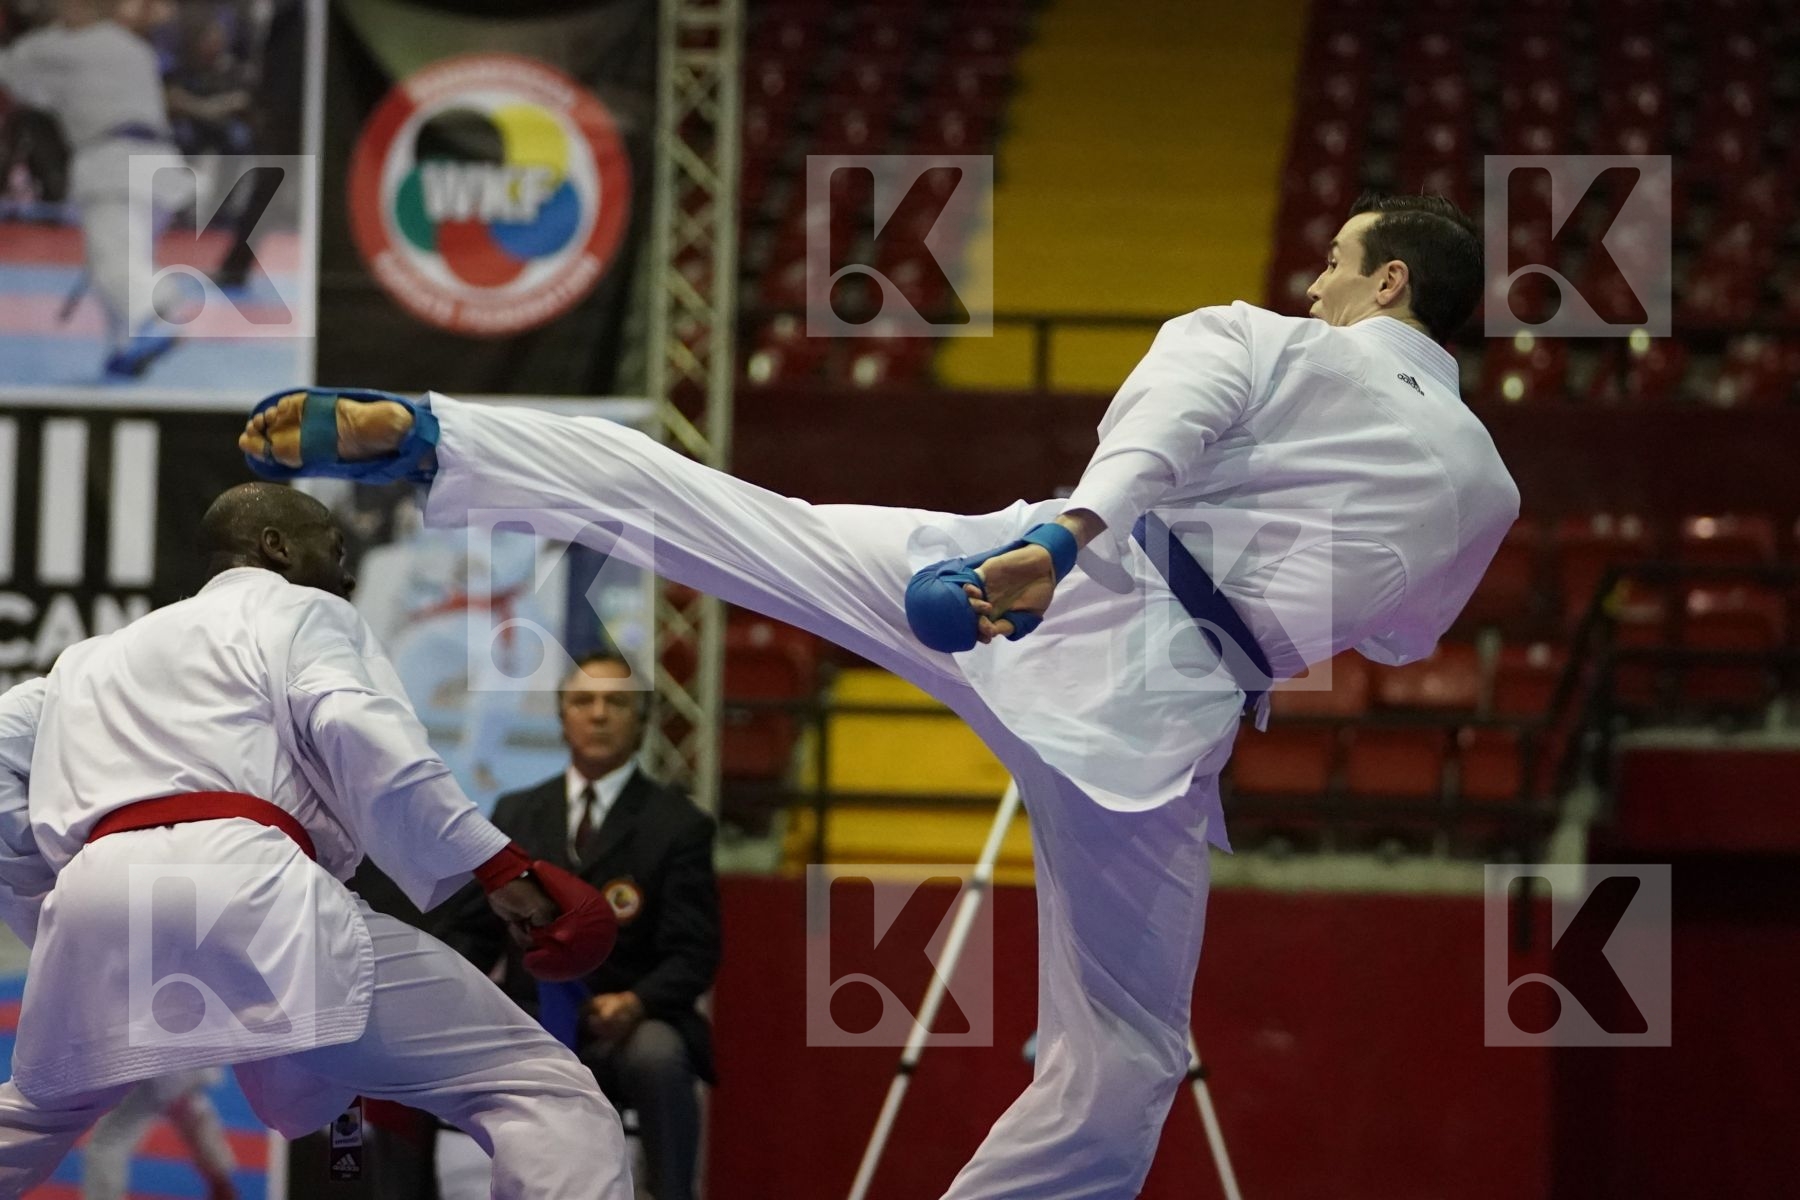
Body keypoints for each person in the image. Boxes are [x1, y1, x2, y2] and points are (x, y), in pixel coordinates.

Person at [242, 193, 1520, 1198]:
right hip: (1156, 724)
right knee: (1124, 1058)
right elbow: (1403, 642)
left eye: (1340, 262)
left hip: (1032, 582)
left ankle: (434, 434)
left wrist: (1072, 532)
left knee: (723, 519)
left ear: (1389, 280)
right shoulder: (1486, 491)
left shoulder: (1265, 339)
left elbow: (1169, 424)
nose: (1318, 282)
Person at [0, 482, 630, 1199]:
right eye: (333, 550)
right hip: (256, 899)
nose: (348, 574)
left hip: (101, 901)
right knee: (543, 1090)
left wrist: (48, 897)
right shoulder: (299, 609)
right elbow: (359, 729)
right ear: (275, 548)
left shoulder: (90, 660)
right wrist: (499, 866)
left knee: (34, 1115)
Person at [437, 651, 721, 1200]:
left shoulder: (678, 825)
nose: (598, 714)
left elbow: (695, 953)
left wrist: (634, 1004)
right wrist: (457, 996)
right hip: (527, 1024)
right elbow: (469, 931)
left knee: (659, 1055)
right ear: (561, 716)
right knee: (412, 1050)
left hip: (624, 1025)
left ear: (641, 721)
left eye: (616, 702)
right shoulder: (517, 812)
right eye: (583, 701)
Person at [0, 0, 192, 377]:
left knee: (113, 266)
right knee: (125, 257)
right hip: (156, 164)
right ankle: (123, 350)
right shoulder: (133, 48)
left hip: (113, 163)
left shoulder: (59, 46)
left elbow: (11, 72)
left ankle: (165, 304)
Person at [81, 1069, 237, 1200]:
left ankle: (221, 1184)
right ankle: (221, 1183)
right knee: (188, 1107)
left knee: (108, 1142)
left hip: (152, 1063)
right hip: (186, 1054)